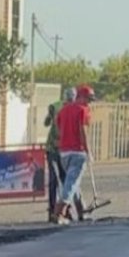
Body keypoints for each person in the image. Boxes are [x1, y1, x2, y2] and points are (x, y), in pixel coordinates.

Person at [53, 84, 95, 224]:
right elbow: (83, 131)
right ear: (80, 97)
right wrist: (88, 151)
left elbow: (58, 126)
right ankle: (60, 212)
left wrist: (65, 137)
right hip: (78, 152)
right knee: (71, 183)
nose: (89, 102)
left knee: (73, 181)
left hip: (64, 153)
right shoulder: (83, 110)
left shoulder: (63, 110)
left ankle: (81, 210)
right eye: (88, 99)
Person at [44, 87, 84, 222]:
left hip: (64, 149)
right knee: (56, 180)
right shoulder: (56, 107)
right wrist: (50, 116)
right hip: (54, 148)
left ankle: (67, 211)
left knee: (66, 180)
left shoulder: (75, 108)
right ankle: (54, 211)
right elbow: (47, 123)